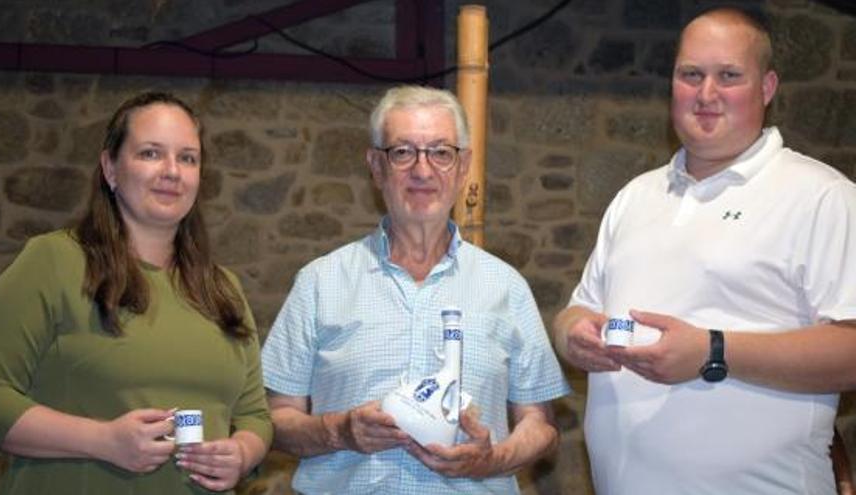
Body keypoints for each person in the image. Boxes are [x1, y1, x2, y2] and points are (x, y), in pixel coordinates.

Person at [553, 7, 856, 494]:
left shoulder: (820, 196)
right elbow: (579, 308)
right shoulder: (637, 196)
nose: (706, 94)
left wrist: (714, 350)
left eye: (729, 76)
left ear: (767, 87)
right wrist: (573, 335)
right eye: (690, 74)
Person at [261, 85, 569, 494]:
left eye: (441, 152)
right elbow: (274, 419)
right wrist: (340, 431)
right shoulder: (320, 282)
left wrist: (489, 461)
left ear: (463, 167)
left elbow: (540, 424)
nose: (422, 171)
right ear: (376, 166)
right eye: (403, 152)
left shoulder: (506, 286)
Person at [0, 92, 272, 494]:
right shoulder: (54, 261)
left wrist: (241, 453)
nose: (172, 171)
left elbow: (254, 415)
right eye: (151, 153)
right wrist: (102, 441)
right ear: (110, 168)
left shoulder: (224, 290)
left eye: (188, 158)